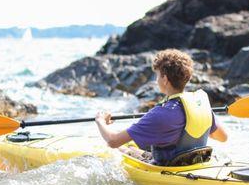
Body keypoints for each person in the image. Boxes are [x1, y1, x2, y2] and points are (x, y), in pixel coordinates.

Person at [95, 49, 228, 165]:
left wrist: (100, 121)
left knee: (121, 148)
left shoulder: (160, 114)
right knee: (132, 145)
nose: (156, 80)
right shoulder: (200, 105)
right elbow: (223, 137)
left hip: (167, 168)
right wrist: (189, 128)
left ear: (165, 79)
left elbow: (113, 141)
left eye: (157, 76)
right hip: (194, 163)